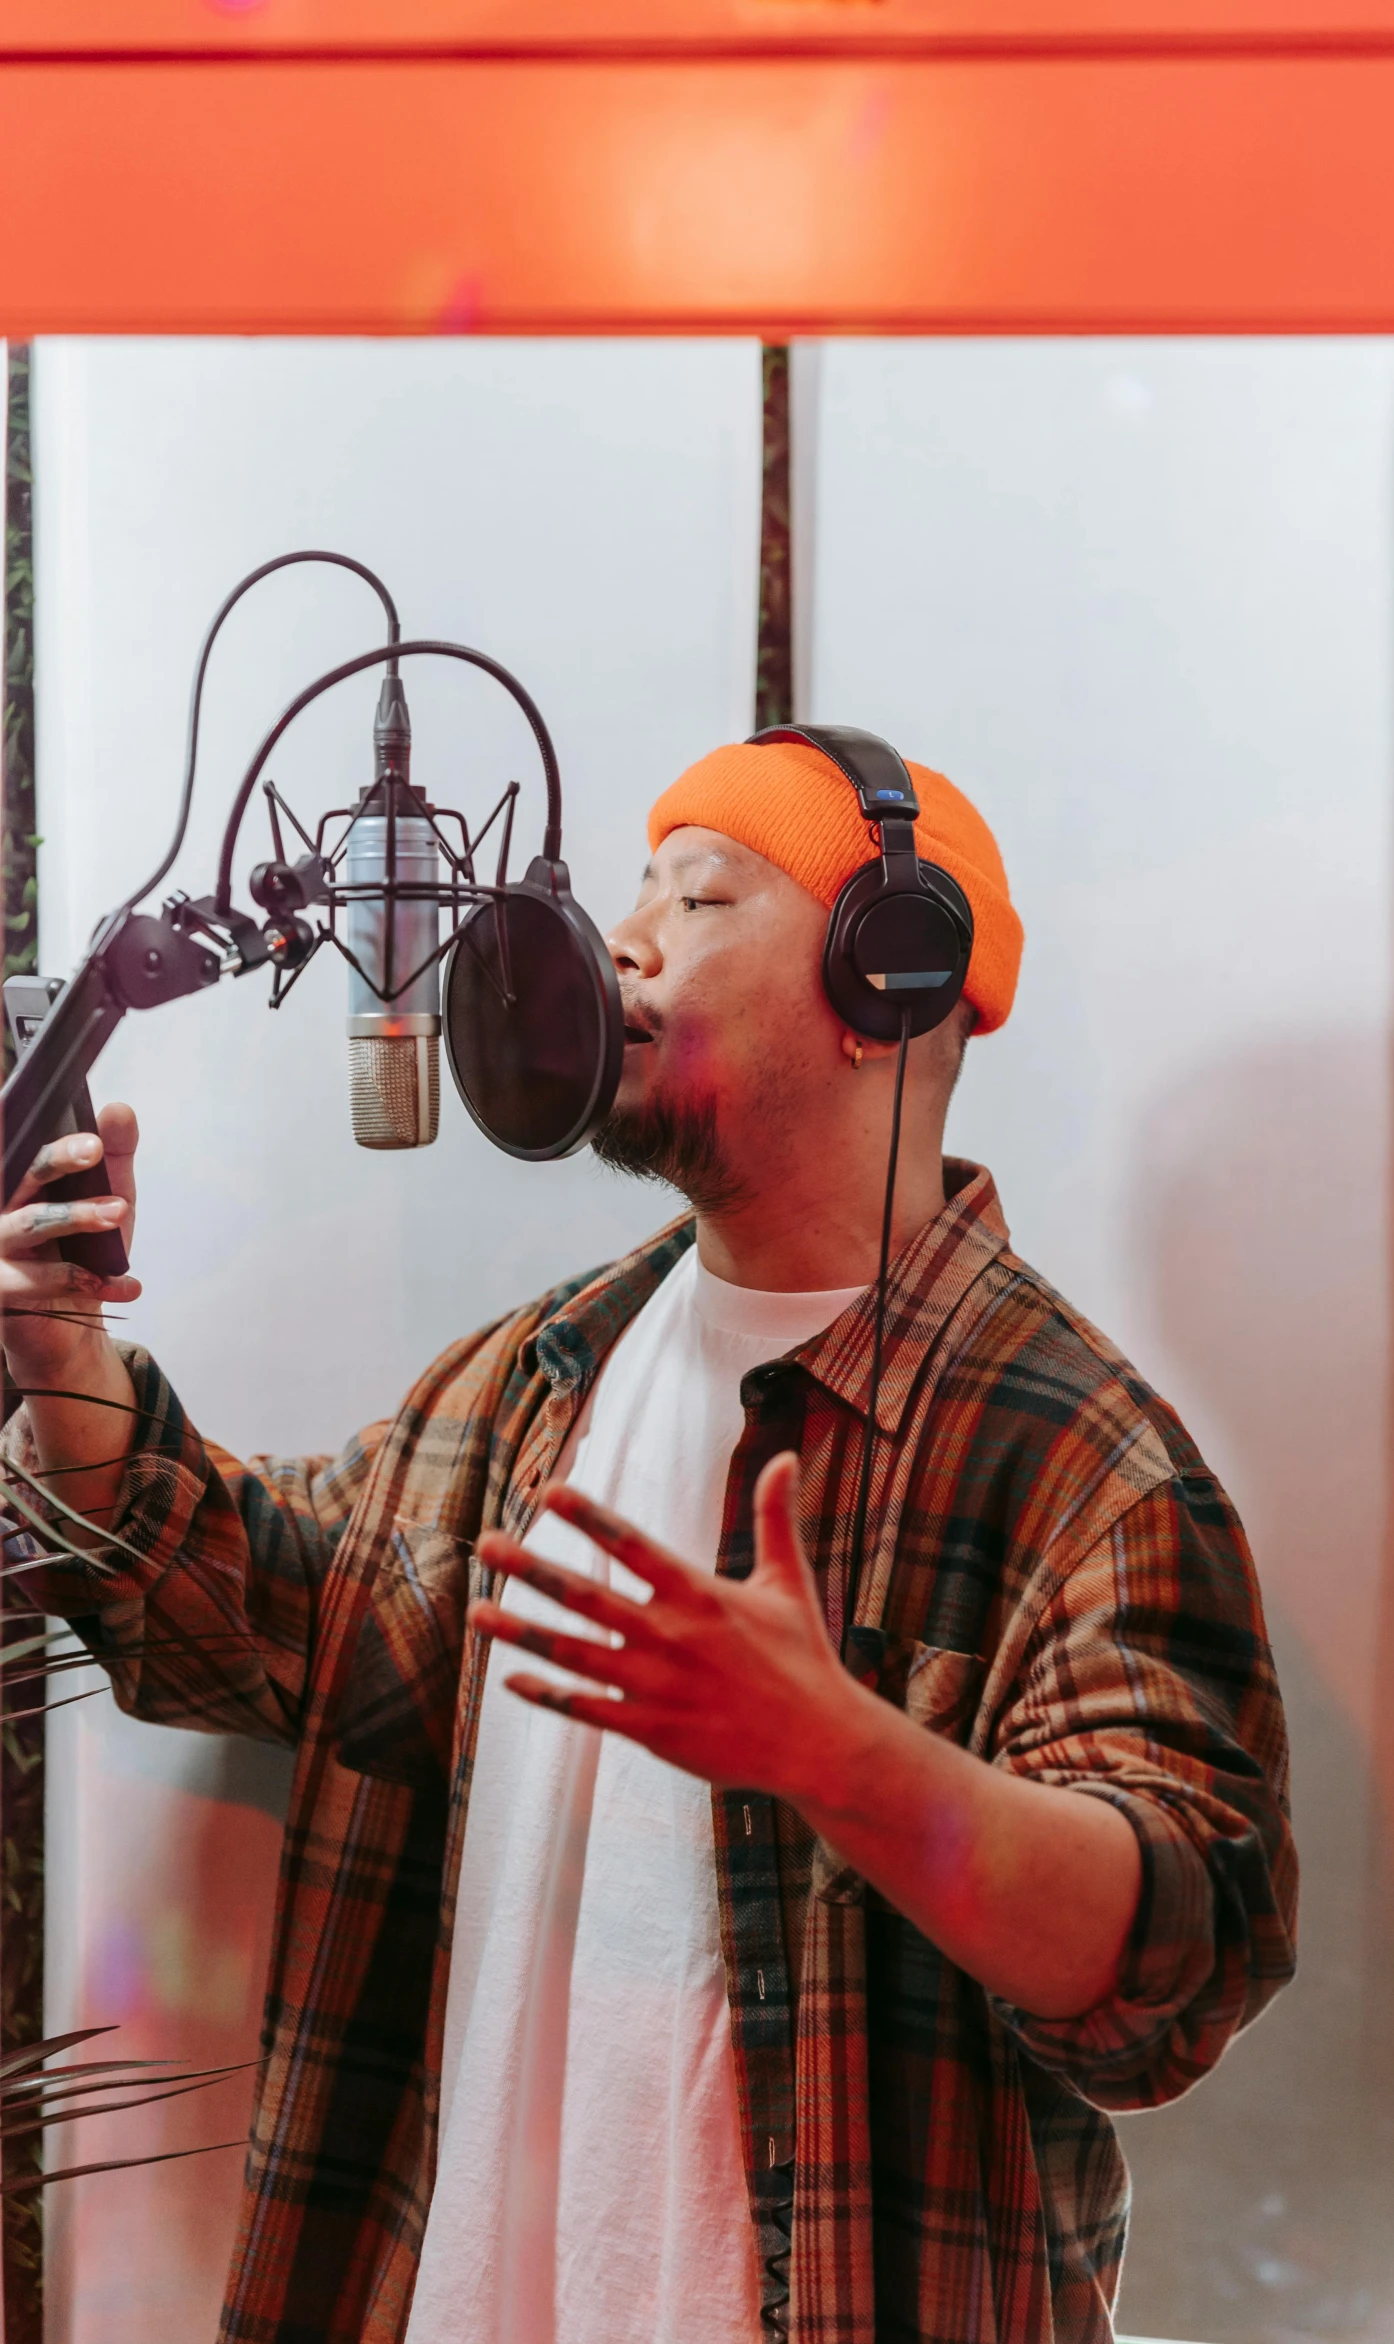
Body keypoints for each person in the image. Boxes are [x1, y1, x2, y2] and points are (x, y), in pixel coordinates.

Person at [0, 736, 1296, 2344]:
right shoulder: (537, 1380)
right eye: (633, 891)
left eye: (699, 892)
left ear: (886, 978)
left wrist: (845, 1761)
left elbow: (1180, 1958)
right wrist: (62, 1356)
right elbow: (237, 1608)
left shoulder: (1081, 1464)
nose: (623, 940)